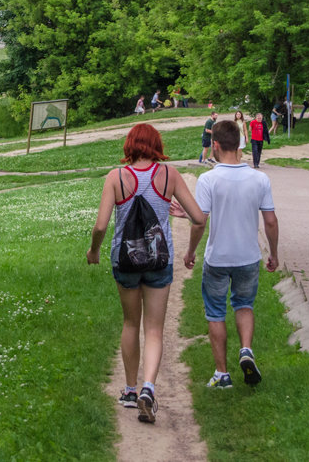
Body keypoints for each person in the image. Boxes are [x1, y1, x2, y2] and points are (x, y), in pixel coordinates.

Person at [86, 123, 205, 424]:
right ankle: (148, 388)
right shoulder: (169, 175)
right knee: (154, 329)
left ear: (129, 145)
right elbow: (200, 218)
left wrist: (94, 251)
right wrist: (183, 228)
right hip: (158, 262)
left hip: (124, 262)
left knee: (130, 323)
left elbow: (100, 225)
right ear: (156, 144)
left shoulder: (116, 177)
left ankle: (129, 390)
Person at [184, 120, 279, 390]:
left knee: (216, 312)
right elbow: (270, 221)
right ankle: (246, 350)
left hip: (218, 259)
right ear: (239, 144)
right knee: (244, 305)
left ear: (215, 145)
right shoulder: (259, 179)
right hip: (248, 256)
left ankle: (222, 374)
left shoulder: (209, 179)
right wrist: (273, 253)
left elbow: (200, 221)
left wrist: (190, 251)